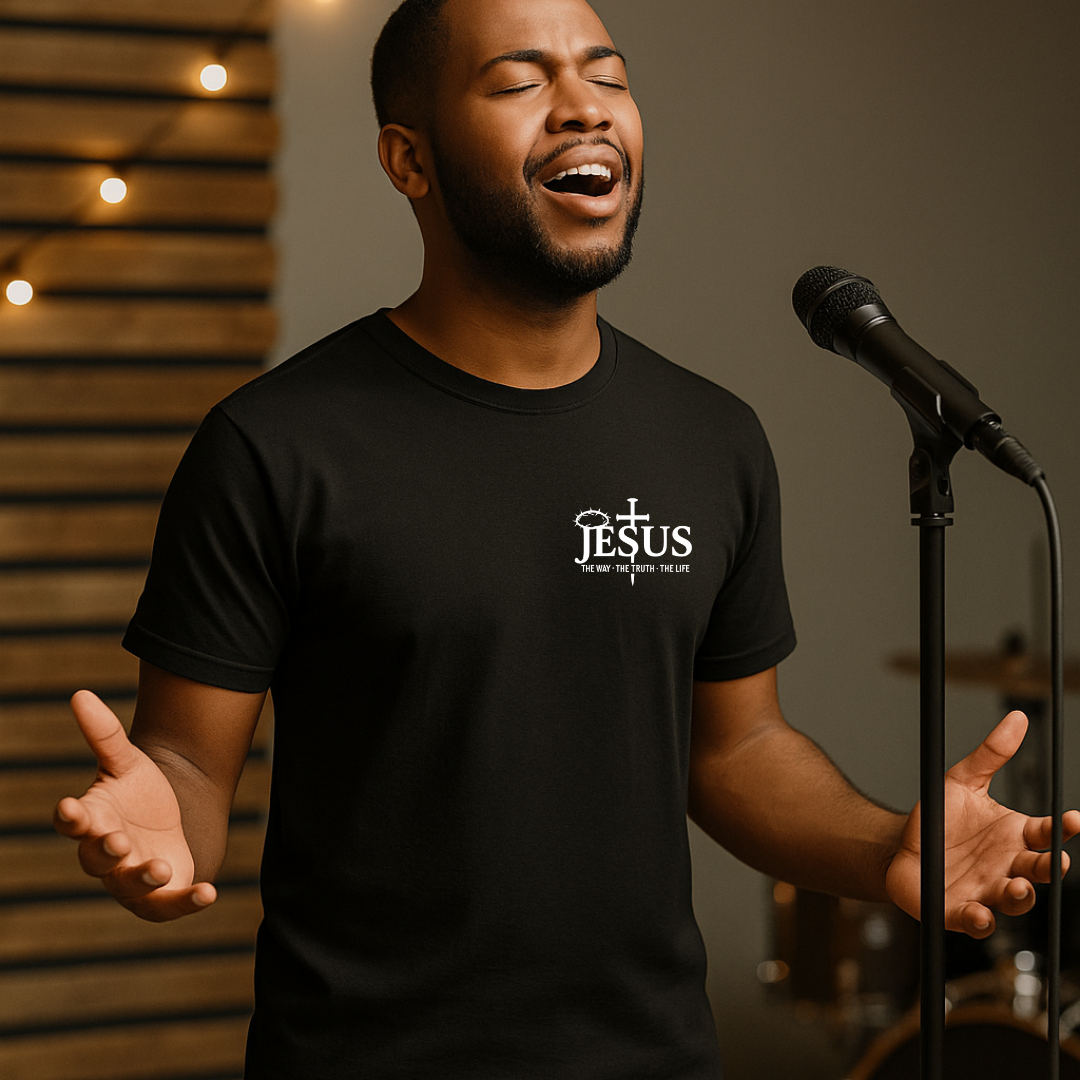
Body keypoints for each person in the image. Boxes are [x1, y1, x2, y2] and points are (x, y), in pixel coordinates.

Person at [54, 0, 1079, 1077]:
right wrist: (159, 835)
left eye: (608, 75)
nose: (585, 108)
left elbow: (735, 749)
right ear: (409, 159)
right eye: (519, 81)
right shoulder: (273, 446)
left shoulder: (712, 438)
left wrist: (886, 847)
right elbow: (188, 764)